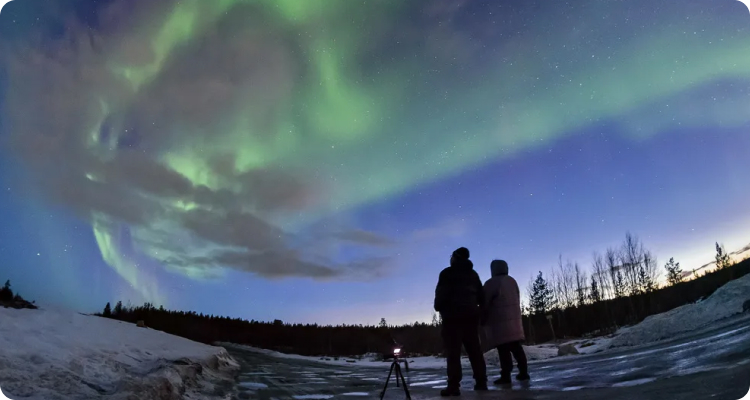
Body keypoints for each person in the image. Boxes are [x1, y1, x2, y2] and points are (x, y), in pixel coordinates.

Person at [434, 247, 488, 396]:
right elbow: (481, 296)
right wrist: (480, 313)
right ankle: (481, 382)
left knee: (453, 353)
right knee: (475, 350)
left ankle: (453, 385)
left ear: (455, 257)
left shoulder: (447, 273)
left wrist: (438, 306)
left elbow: (441, 294)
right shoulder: (473, 275)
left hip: (452, 318)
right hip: (470, 317)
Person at [481, 259, 529, 385]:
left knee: (503, 350)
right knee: (516, 348)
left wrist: (482, 318)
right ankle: (523, 372)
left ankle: (506, 376)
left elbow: (484, 302)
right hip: (515, 321)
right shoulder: (512, 281)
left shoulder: (491, 283)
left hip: (499, 322)